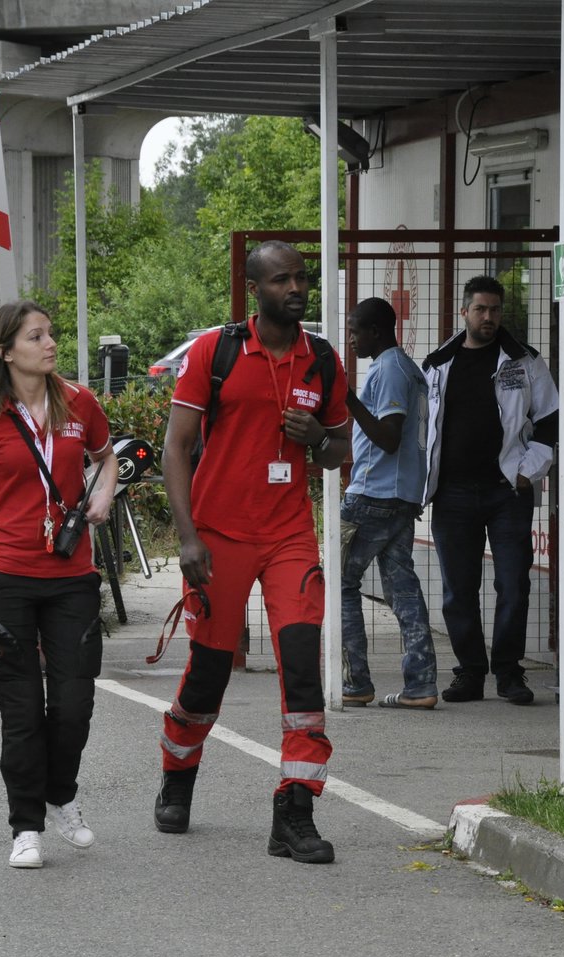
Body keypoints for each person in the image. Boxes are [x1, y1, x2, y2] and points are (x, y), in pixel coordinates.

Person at [155, 239, 351, 864]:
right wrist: (188, 538)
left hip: (290, 534)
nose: (295, 289)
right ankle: (178, 773)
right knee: (210, 671)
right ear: (254, 289)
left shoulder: (321, 358)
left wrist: (320, 438)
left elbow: (339, 451)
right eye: (281, 281)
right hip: (219, 537)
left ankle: (294, 811)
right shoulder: (216, 352)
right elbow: (176, 449)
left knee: (301, 661)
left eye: (301, 279)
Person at [0, 301, 118, 870]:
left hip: (72, 577)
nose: (51, 343)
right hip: (6, 577)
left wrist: (103, 492)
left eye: (51, 334)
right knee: (23, 710)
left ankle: (62, 794)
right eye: (37, 336)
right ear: (7, 350)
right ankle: (26, 826)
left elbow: (108, 459)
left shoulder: (79, 401)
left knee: (75, 705)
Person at [422, 276, 559, 706]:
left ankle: (509, 672)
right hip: (453, 495)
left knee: (514, 584)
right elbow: (421, 429)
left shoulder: (525, 362)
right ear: (464, 312)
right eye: (480, 309)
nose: (488, 317)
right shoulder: (437, 363)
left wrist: (527, 472)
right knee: (457, 589)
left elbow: (551, 422)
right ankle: (470, 672)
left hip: (507, 494)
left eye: (495, 310)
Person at [339, 297, 438, 710]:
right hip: (399, 497)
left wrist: (348, 399)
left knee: (339, 585)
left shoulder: (392, 370)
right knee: (403, 589)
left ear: (375, 331)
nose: (351, 338)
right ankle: (420, 685)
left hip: (373, 494)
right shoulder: (406, 369)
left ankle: (355, 682)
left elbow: (389, 436)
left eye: (355, 330)